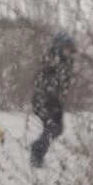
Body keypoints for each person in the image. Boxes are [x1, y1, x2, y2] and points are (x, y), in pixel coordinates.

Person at [29, 32, 75, 168]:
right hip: (43, 100)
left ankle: (38, 151)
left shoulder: (68, 62)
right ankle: (37, 153)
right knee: (51, 127)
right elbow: (40, 80)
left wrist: (64, 91)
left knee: (58, 129)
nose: (68, 52)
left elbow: (66, 80)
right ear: (59, 47)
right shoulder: (50, 60)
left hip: (56, 100)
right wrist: (47, 94)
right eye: (66, 48)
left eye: (70, 49)